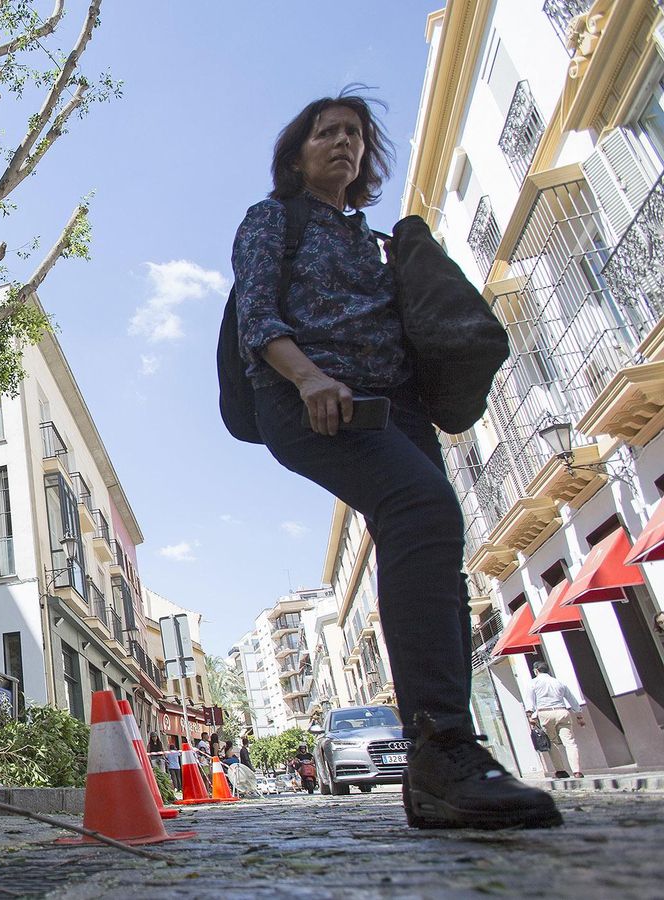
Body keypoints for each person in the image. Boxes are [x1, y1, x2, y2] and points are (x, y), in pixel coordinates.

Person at [232, 90, 560, 829]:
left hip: (399, 408)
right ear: (297, 152)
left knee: (434, 547)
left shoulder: (373, 240)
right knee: (422, 511)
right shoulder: (271, 222)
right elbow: (258, 315)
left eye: (354, 134)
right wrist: (309, 376)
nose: (344, 143)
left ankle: (435, 774)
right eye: (327, 132)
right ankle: (443, 748)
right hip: (312, 398)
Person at [527, 660, 586, 778]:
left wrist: (530, 716)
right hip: (562, 711)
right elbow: (572, 699)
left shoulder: (533, 683)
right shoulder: (558, 682)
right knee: (570, 742)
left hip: (545, 713)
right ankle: (577, 771)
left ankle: (560, 770)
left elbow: (530, 701)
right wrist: (579, 716)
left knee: (552, 742)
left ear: (536, 670)